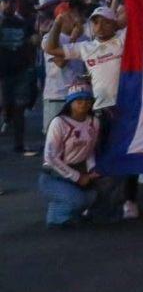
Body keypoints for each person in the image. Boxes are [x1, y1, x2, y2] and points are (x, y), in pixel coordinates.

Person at [45, 5, 140, 219]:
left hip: (125, 108)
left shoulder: (123, 39)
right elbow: (51, 49)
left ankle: (130, 200)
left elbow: (139, 18)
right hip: (98, 111)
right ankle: (99, 200)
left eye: (105, 21)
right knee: (98, 158)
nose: (100, 25)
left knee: (129, 155)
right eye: (95, 21)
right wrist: (58, 23)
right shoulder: (86, 47)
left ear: (114, 24)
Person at [39, 84, 103, 226]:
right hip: (54, 175)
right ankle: (57, 217)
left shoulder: (94, 122)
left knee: (97, 193)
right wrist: (77, 177)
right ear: (70, 103)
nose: (84, 104)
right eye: (79, 101)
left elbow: (90, 150)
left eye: (87, 100)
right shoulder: (59, 123)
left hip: (80, 168)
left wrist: (92, 169)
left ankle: (68, 211)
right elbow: (50, 157)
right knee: (78, 200)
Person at [40, 0, 87, 139]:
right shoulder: (49, 39)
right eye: (72, 15)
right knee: (55, 139)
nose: (77, 19)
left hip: (78, 96)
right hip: (57, 96)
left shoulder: (85, 38)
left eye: (78, 14)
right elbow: (61, 63)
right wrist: (73, 40)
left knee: (76, 138)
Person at [0, 0, 38, 156]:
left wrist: (35, 39)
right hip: (2, 72)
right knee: (4, 105)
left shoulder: (22, 23)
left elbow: (33, 39)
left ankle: (19, 145)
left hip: (20, 70)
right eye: (5, 2)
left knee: (19, 108)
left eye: (12, 2)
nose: (9, 5)